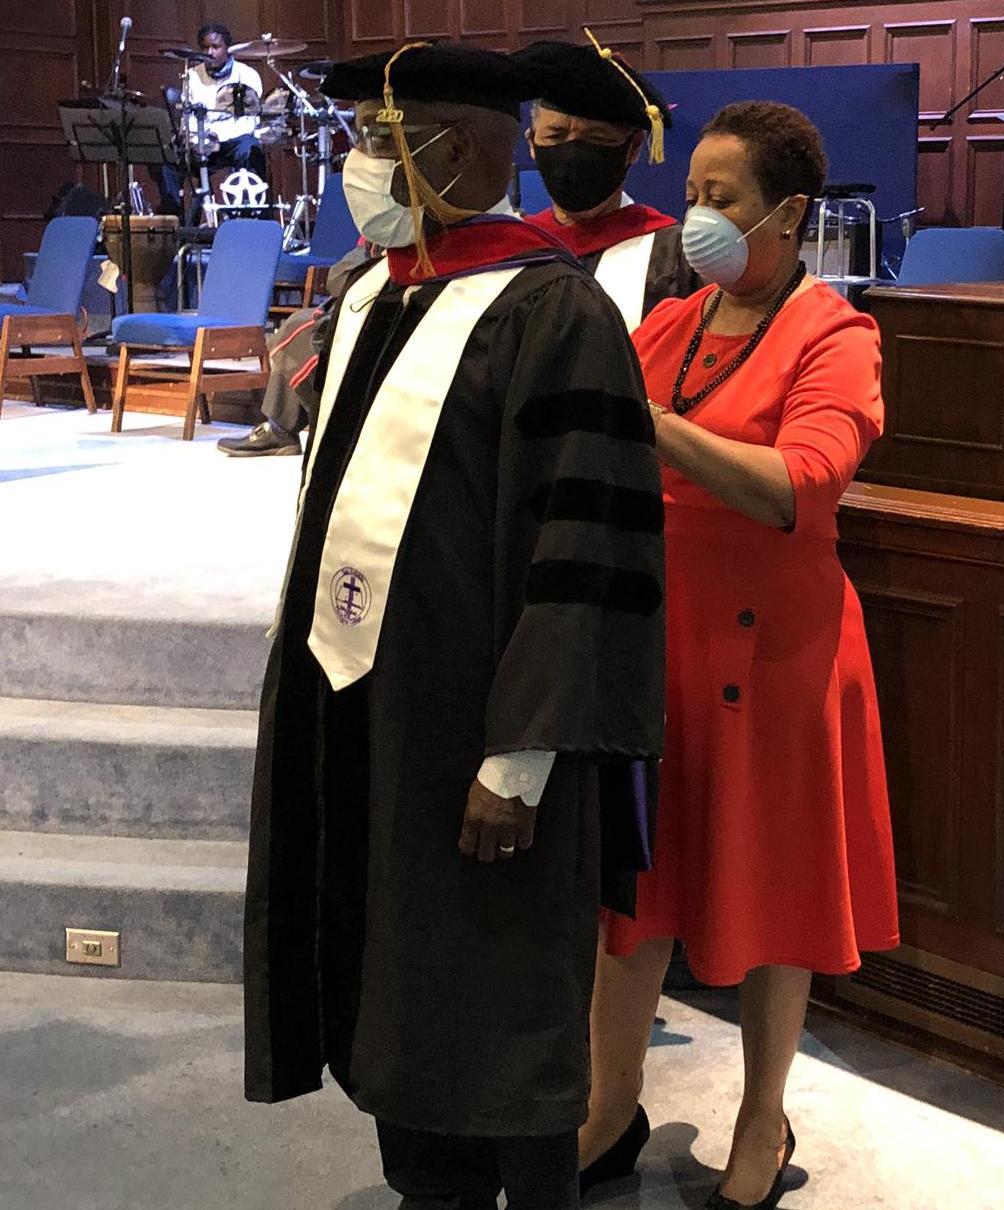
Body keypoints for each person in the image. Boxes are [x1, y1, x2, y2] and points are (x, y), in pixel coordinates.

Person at [242, 42, 665, 1210]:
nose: (360, 166)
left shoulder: (553, 310)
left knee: (498, 1015)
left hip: (484, 734)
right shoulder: (378, 290)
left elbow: (588, 557)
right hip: (371, 710)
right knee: (400, 994)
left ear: (464, 150)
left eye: (384, 141)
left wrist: (521, 758)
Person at [581, 102, 900, 1209]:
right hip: (656, 640)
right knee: (630, 885)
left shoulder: (836, 335)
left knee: (777, 894)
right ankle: (607, 1104)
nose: (699, 217)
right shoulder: (669, 323)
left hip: (779, 659)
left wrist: (643, 424)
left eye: (724, 197)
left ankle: (763, 1116)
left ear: (790, 211)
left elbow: (797, 488)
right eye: (696, 194)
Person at [513, 36, 697, 329]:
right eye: (555, 136)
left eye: (595, 138)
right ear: (532, 143)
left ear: (634, 147)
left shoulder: (675, 256)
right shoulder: (512, 248)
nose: (572, 152)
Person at [216, 242, 376, 457]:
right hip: (365, 298)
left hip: (387, 307)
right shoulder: (375, 233)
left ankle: (322, 429)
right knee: (297, 324)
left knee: (303, 333)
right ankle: (280, 428)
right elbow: (336, 279)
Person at [155, 22, 265, 219]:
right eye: (205, 47)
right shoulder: (193, 76)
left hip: (233, 140)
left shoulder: (247, 75)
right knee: (166, 159)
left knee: (250, 148)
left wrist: (218, 136)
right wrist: (198, 139)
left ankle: (247, 215)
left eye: (216, 47)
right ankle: (174, 221)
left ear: (227, 49)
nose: (210, 52)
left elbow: (249, 121)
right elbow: (187, 118)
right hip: (201, 143)